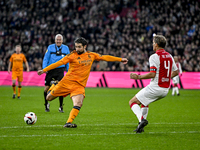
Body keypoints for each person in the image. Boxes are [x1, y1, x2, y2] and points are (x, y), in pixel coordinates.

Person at [38, 37, 128, 128]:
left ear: (85, 46)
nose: (77, 49)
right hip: (67, 82)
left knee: (78, 103)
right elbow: (58, 63)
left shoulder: (91, 55)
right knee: (49, 98)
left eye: (79, 47)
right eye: (76, 47)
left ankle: (68, 123)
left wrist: (120, 59)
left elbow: (105, 57)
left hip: (79, 86)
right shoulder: (72, 55)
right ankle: (55, 85)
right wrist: (44, 70)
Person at [129, 35, 179, 133]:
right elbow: (176, 72)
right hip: (165, 89)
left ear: (156, 45)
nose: (152, 44)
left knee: (132, 102)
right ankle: (141, 127)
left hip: (156, 87)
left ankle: (142, 120)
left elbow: (152, 74)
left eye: (153, 43)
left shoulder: (154, 56)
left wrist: (138, 77)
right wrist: (166, 78)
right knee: (144, 102)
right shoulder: (169, 56)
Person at [42, 34, 70, 113]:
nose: (58, 41)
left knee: (60, 88)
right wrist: (45, 69)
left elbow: (68, 61)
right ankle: (46, 104)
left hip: (60, 70)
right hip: (51, 69)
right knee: (46, 88)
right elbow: (46, 58)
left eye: (60, 40)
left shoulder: (66, 48)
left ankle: (61, 107)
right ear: (55, 40)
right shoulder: (50, 47)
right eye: (57, 40)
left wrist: (68, 71)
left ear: (62, 41)